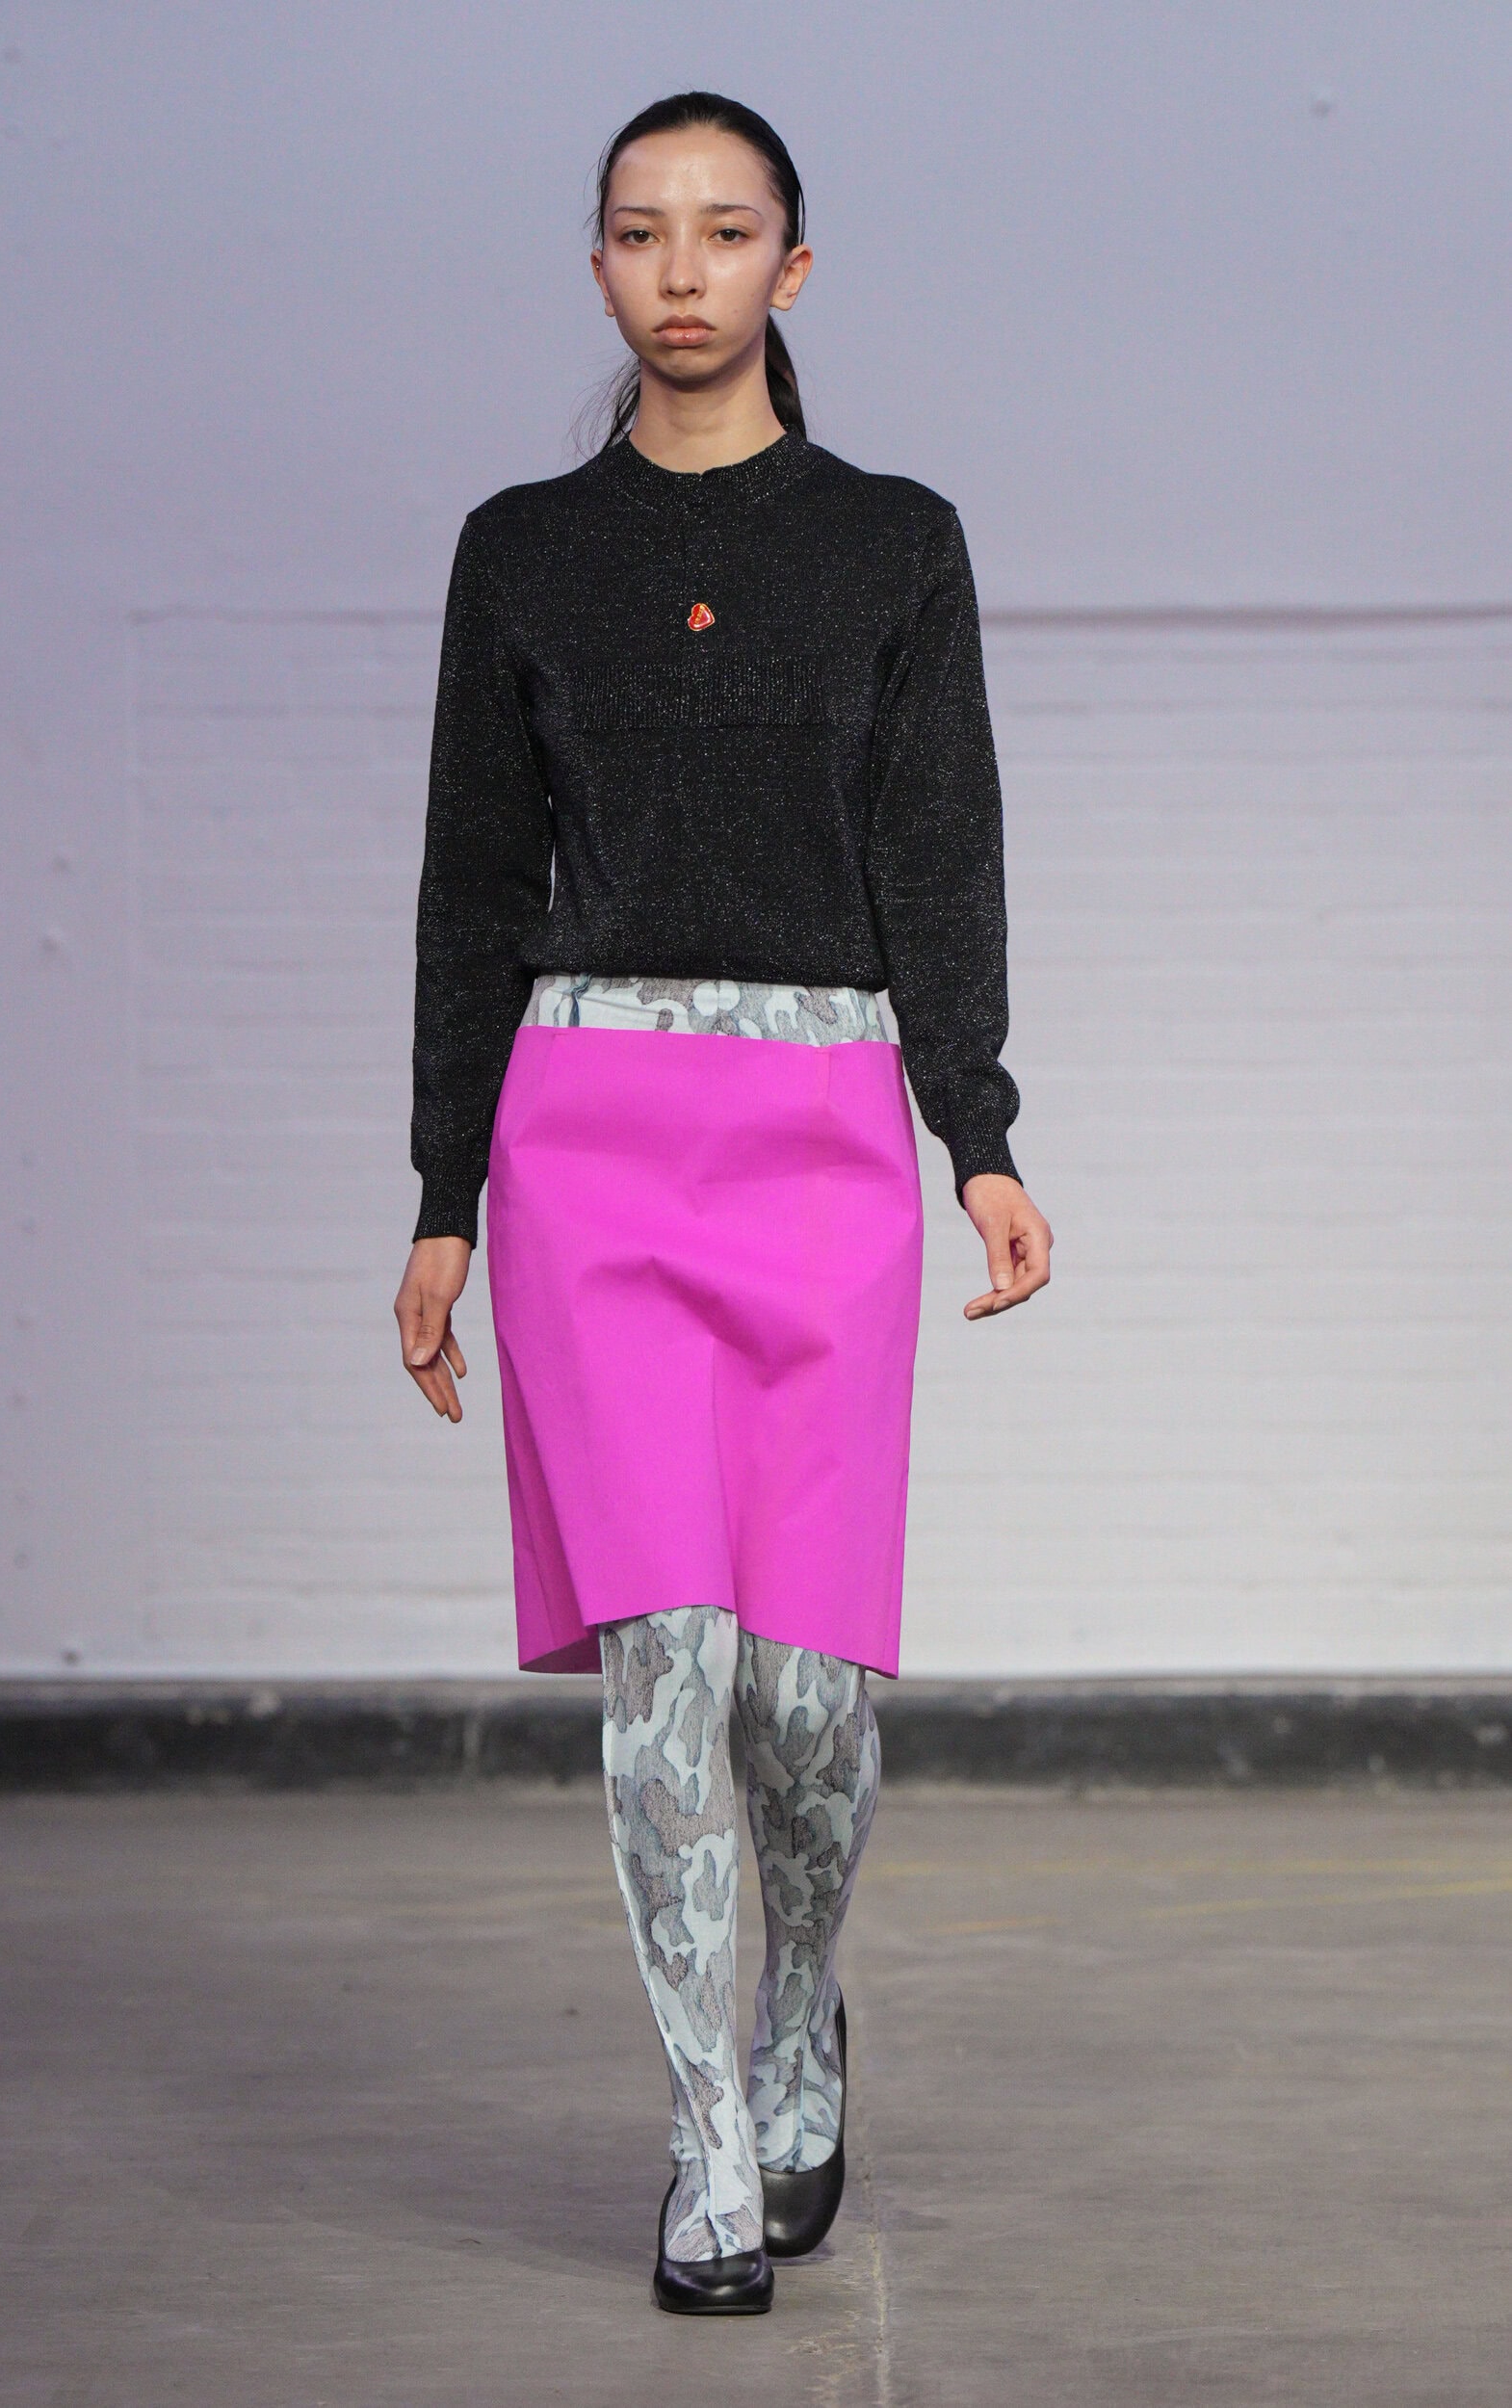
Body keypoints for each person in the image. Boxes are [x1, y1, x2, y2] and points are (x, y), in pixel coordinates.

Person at [394, 90, 1053, 2316]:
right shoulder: (523, 549)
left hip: (821, 1132)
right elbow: (473, 878)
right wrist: (442, 1188)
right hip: (585, 1139)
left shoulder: (891, 544)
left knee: (804, 1693)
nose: (681, 269)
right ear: (598, 265)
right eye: (639, 231)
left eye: (725, 228)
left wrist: (977, 1131)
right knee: (662, 1662)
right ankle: (704, 2144)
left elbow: (940, 845)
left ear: (794, 264)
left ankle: (801, 2011)